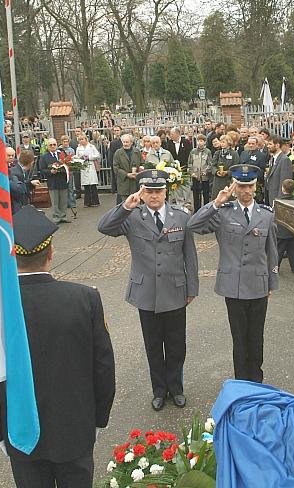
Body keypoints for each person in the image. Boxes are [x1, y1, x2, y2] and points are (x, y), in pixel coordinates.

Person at [0, 206, 116, 488]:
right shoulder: (85, 299)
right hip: (74, 425)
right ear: (50, 253)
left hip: (19, 430)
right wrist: (99, 419)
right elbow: (103, 366)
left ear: (9, 256)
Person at [98, 170, 198, 411]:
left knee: (176, 345)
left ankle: (176, 388)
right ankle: (159, 390)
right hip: (147, 293)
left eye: (158, 191)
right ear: (142, 193)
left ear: (166, 192)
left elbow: (190, 256)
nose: (154, 196)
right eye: (149, 191)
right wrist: (125, 206)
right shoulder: (132, 217)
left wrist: (192, 287)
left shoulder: (181, 217)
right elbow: (104, 227)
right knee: (153, 345)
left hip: (175, 290)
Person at [188, 165, 279, 383]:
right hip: (233, 285)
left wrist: (271, 284)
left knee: (256, 339)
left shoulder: (266, 215)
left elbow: (272, 251)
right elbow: (193, 225)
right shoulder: (223, 212)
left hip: (258, 286)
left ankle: (256, 381)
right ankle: (241, 383)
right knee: (239, 339)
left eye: (250, 186)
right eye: (241, 186)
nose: (246, 191)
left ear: (256, 187)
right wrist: (216, 202)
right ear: (234, 187)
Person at [38, 139, 70, 223]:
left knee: (63, 200)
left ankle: (63, 216)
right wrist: (50, 172)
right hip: (52, 181)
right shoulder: (44, 157)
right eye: (51, 145)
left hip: (62, 180)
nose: (53, 146)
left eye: (54, 144)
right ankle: (56, 217)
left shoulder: (62, 154)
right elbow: (42, 169)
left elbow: (68, 164)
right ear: (48, 147)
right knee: (55, 200)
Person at [275, 179, 294, 274]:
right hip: (293, 230)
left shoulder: (278, 201)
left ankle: (274, 268)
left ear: (282, 188)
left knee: (278, 251)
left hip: (281, 230)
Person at [112, 133, 142, 205]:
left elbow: (142, 164)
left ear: (131, 142)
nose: (125, 144)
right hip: (123, 183)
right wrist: (126, 174)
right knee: (125, 205)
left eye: (127, 142)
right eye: (124, 142)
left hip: (135, 182)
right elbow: (115, 167)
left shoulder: (137, 152)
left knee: (136, 204)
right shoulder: (118, 153)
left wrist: (139, 172)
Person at [264, 135, 294, 205]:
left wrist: (280, 202)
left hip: (278, 200)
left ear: (277, 145)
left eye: (270, 144)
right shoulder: (272, 158)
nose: (268, 146)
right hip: (270, 197)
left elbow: (284, 183)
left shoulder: (285, 160)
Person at [9, 150, 40, 214]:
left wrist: (30, 183)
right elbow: (18, 189)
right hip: (16, 208)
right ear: (31, 162)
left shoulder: (19, 170)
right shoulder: (15, 172)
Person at [188, 134, 212, 212]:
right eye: (198, 141)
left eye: (201, 141)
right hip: (195, 176)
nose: (199, 143)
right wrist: (192, 173)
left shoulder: (207, 152)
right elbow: (190, 163)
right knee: (196, 194)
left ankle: (206, 210)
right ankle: (196, 210)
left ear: (204, 142)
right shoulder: (193, 151)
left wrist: (206, 171)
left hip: (205, 177)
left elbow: (210, 163)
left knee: (205, 194)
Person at [76, 136, 101, 207]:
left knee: (93, 184)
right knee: (86, 186)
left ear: (86, 139)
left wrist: (89, 157)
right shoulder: (78, 148)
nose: (81, 141)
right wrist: (80, 158)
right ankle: (87, 202)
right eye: (80, 140)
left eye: (82, 139)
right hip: (83, 167)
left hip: (91, 166)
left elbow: (97, 155)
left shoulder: (91, 146)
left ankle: (95, 202)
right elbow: (77, 157)